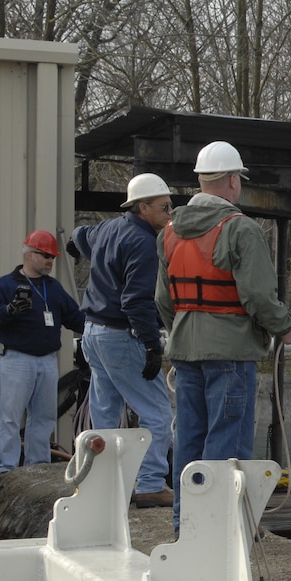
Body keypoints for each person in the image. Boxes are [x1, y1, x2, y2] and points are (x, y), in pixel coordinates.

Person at [156, 140, 291, 532]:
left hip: (185, 351)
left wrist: (184, 332)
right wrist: (286, 327)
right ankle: (218, 532)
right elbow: (258, 295)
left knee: (189, 440)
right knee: (227, 444)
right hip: (231, 353)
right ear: (234, 182)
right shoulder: (240, 229)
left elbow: (163, 299)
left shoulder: (169, 232)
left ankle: (183, 526)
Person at [71, 173, 177, 508]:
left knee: (105, 413)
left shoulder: (107, 229)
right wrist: (151, 345)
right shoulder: (144, 243)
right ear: (143, 207)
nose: (169, 212)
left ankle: (102, 482)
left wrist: (79, 246)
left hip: (93, 331)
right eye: (163, 206)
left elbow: (78, 235)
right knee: (157, 413)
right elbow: (136, 301)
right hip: (120, 334)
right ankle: (148, 483)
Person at [0, 230, 86, 474]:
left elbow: (75, 317)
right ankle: (7, 469)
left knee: (44, 416)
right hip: (15, 359)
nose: (50, 261)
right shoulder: (6, 285)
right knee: (10, 417)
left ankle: (37, 466)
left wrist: (99, 328)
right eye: (46, 256)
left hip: (46, 360)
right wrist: (9, 310)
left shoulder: (54, 288)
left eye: (53, 257)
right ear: (29, 255)